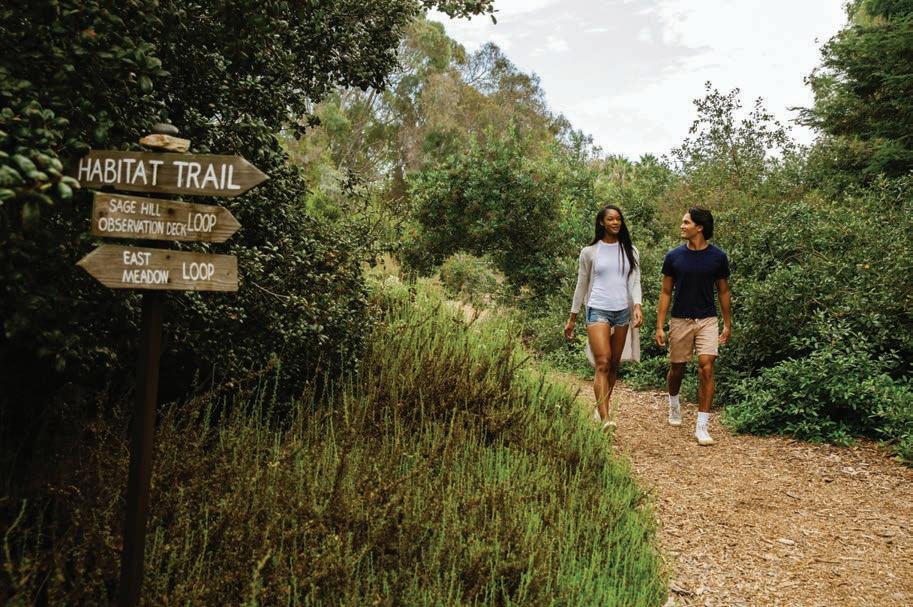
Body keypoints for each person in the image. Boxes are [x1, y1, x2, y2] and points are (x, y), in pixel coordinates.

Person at [654, 207, 732, 446]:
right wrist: (660, 326)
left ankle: (702, 426)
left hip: (707, 319)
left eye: (686, 222)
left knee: (706, 366)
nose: (682, 226)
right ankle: (674, 403)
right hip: (680, 319)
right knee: (677, 368)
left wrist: (727, 323)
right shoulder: (674, 256)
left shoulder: (718, 257)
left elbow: (723, 291)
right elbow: (666, 291)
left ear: (699, 227)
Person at [565, 205, 643, 431]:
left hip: (622, 311)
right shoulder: (590, 252)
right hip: (597, 308)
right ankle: (606, 418)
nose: (615, 222)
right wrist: (572, 318)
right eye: (610, 219)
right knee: (603, 362)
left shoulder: (630, 250)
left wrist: (637, 306)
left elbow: (635, 281)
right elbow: (581, 284)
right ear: (602, 222)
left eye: (618, 219)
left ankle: (601, 407)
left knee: (614, 365)